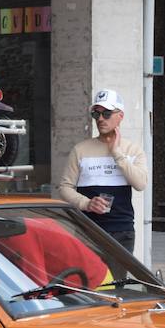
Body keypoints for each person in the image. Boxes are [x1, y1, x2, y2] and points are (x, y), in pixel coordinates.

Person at [57, 89, 148, 252]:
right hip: (88, 229)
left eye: (106, 113)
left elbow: (141, 184)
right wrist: (87, 203)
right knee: (90, 278)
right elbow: (64, 187)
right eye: (96, 114)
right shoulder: (80, 150)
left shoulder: (133, 150)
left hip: (122, 230)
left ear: (120, 116)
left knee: (118, 278)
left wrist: (117, 153)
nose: (100, 119)